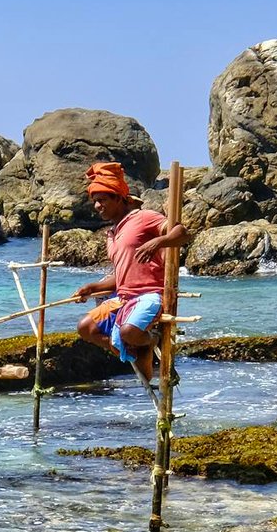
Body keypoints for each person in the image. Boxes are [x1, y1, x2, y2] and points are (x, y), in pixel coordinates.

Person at [72, 161, 190, 381]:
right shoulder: (112, 233)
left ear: (119, 197)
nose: (98, 206)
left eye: (102, 200)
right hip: (124, 297)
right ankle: (132, 352)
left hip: (149, 295)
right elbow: (125, 274)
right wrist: (93, 287)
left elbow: (182, 233)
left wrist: (158, 242)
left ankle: (148, 343)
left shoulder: (143, 218)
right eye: (95, 201)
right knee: (85, 328)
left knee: (129, 332)